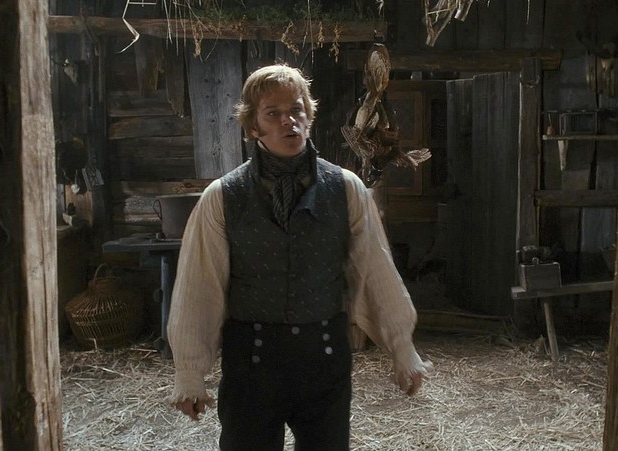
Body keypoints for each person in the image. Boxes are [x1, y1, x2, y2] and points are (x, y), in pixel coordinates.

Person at [166, 63, 431, 450]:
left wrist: (402, 348)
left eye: (296, 110)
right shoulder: (222, 196)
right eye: (272, 113)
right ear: (253, 126)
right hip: (251, 365)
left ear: (309, 116)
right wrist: (190, 373)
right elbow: (199, 286)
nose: (288, 121)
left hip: (323, 357)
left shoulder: (346, 189)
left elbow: (375, 270)